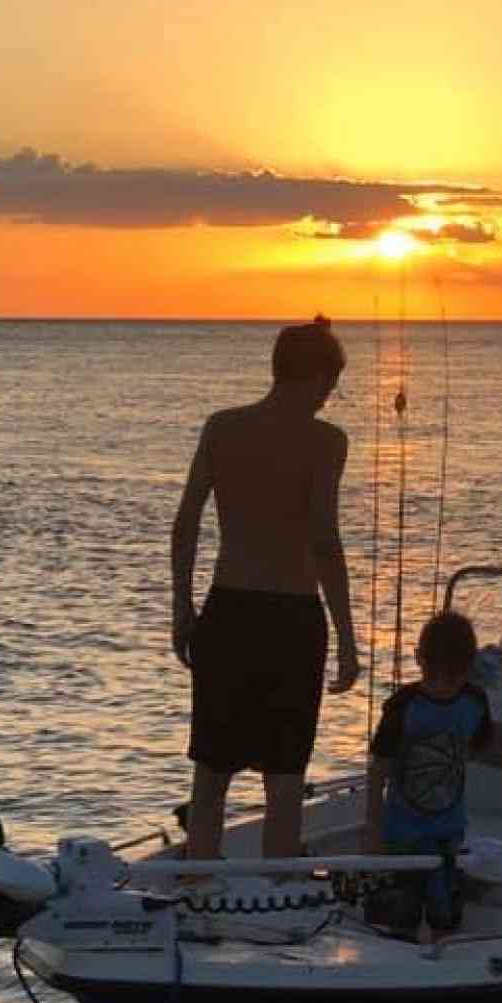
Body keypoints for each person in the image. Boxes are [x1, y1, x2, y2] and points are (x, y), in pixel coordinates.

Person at [171, 315, 360, 860]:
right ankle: (276, 904)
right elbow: (324, 540)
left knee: (211, 775)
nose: (330, 396)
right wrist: (347, 636)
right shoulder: (326, 443)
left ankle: (199, 892)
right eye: (330, 383)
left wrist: (182, 608)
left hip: (227, 611)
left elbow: (186, 525)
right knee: (283, 779)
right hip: (292, 621)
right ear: (313, 376)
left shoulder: (221, 428)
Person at [363, 610, 502, 941]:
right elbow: (378, 769)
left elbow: (483, 745)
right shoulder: (402, 706)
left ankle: (441, 955)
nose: (442, 686)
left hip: (448, 834)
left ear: (468, 671)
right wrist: (372, 827)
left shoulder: (474, 702)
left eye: (452, 678)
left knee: (446, 913)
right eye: (433, 675)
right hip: (401, 835)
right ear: (419, 660)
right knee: (399, 917)